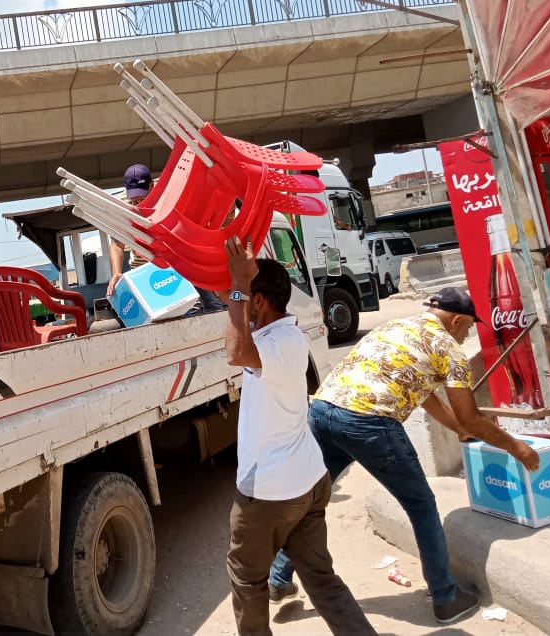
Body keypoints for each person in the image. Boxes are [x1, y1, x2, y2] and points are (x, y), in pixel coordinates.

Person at [268, 287, 542, 626]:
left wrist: (458, 428)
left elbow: (427, 397)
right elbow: (471, 416)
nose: (468, 333)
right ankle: (445, 597)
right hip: (368, 421)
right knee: (421, 505)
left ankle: (278, 576)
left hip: (324, 410)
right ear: (456, 320)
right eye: (469, 326)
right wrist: (516, 447)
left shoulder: (396, 328)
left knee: (312, 496)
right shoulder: (449, 350)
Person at [222, 236, 374, 636]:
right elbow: (229, 299)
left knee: (247, 580)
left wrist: (239, 284)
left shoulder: (277, 342)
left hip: (271, 492)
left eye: (245, 297)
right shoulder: (284, 335)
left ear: (258, 302)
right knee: (322, 579)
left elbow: (236, 352)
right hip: (306, 482)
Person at [106, 163, 226, 313]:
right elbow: (117, 243)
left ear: (152, 186)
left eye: (142, 196)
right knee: (155, 314)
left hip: (178, 265)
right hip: (143, 270)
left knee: (207, 306)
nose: (138, 202)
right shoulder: (122, 205)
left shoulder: (170, 196)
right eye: (134, 199)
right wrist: (116, 273)